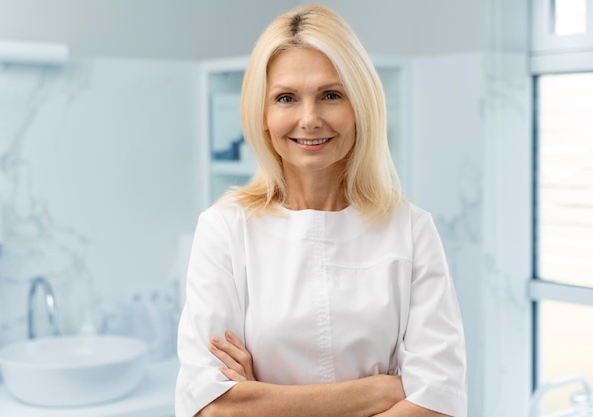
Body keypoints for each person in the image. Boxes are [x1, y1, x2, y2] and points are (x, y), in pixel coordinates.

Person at [175, 3, 467, 417]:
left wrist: (261, 399)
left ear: (361, 106)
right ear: (262, 114)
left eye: (331, 95)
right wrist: (380, 392)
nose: (309, 119)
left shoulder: (411, 229)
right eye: (286, 98)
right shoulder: (224, 228)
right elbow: (213, 409)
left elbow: (439, 403)